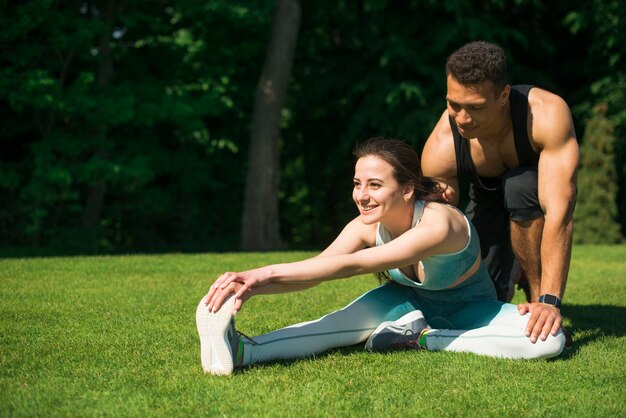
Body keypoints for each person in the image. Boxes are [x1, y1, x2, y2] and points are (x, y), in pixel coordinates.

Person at [196, 138, 566, 375]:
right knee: (331, 325)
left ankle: (422, 338)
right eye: (358, 183)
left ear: (407, 189)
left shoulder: (440, 223)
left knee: (551, 341)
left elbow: (355, 264)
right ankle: (241, 350)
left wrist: (262, 272)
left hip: (471, 311)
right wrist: (251, 287)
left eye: (375, 185)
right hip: (403, 304)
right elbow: (318, 270)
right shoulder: (363, 225)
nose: (362, 195)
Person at [421, 41, 579, 343]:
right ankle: (512, 271)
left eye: (476, 107)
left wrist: (549, 301)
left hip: (534, 190)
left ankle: (535, 300)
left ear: (503, 95)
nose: (463, 118)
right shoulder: (443, 144)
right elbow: (438, 220)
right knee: (484, 300)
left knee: (519, 186)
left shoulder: (545, 115)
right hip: (486, 197)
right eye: (454, 105)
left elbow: (559, 213)